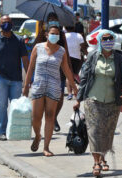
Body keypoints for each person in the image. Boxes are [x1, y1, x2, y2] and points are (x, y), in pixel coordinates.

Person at [73, 30, 122, 177]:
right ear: (100, 41)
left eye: (110, 39)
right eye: (105, 39)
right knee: (94, 132)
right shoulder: (93, 57)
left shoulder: (119, 59)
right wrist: (78, 99)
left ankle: (102, 158)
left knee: (106, 133)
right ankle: (96, 163)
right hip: (92, 99)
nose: (108, 42)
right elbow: (85, 79)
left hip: (113, 102)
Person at [23, 24, 77, 157]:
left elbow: (66, 69)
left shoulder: (61, 51)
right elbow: (30, 68)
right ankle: (37, 136)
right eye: (52, 33)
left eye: (57, 34)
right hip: (38, 85)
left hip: (54, 86)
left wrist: (74, 87)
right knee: (36, 117)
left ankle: (46, 147)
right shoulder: (38, 47)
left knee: (50, 116)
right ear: (46, 34)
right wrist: (26, 86)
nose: (54, 36)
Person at [34, 12, 73, 132]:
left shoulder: (61, 34)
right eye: (51, 20)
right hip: (43, 73)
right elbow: (35, 48)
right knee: (41, 103)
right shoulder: (43, 34)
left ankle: (53, 118)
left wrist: (70, 74)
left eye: (55, 20)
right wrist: (42, 31)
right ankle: (45, 122)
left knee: (60, 98)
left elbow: (66, 52)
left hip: (59, 72)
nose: (53, 22)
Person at [64, 26, 85, 100]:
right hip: (77, 58)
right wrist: (86, 54)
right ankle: (78, 89)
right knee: (74, 74)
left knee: (68, 75)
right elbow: (83, 46)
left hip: (66, 58)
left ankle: (70, 93)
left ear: (65, 28)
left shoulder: (63, 36)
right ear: (74, 28)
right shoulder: (79, 36)